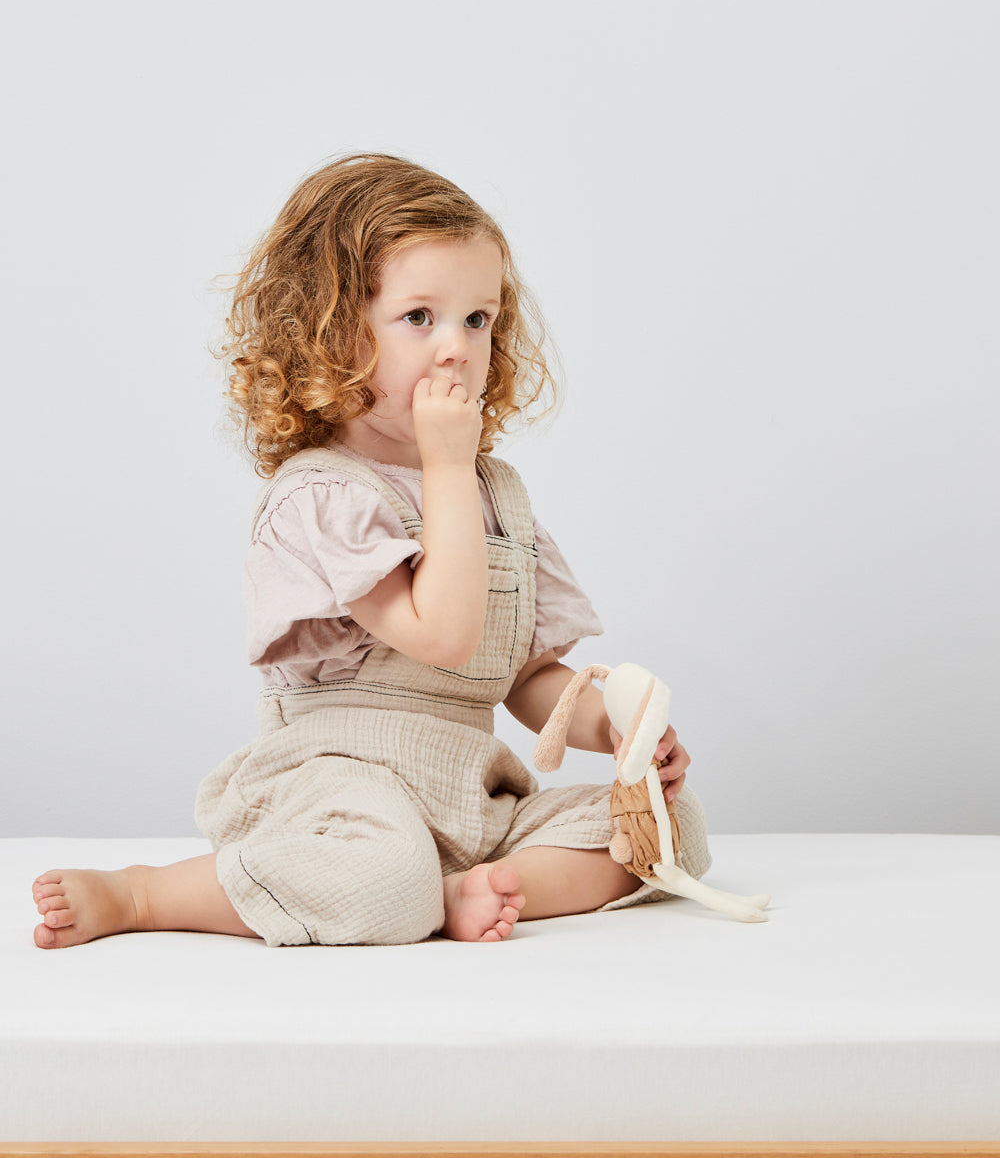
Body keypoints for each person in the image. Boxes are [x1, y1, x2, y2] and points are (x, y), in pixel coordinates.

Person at [32, 153, 710, 949]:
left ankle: (460, 891)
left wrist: (617, 730)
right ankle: (147, 895)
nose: (456, 348)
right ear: (331, 332)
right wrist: (449, 465)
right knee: (383, 880)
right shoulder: (323, 497)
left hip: (465, 795)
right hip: (341, 787)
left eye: (478, 319)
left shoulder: (500, 499)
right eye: (420, 317)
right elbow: (443, 636)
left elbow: (526, 679)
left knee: (668, 830)